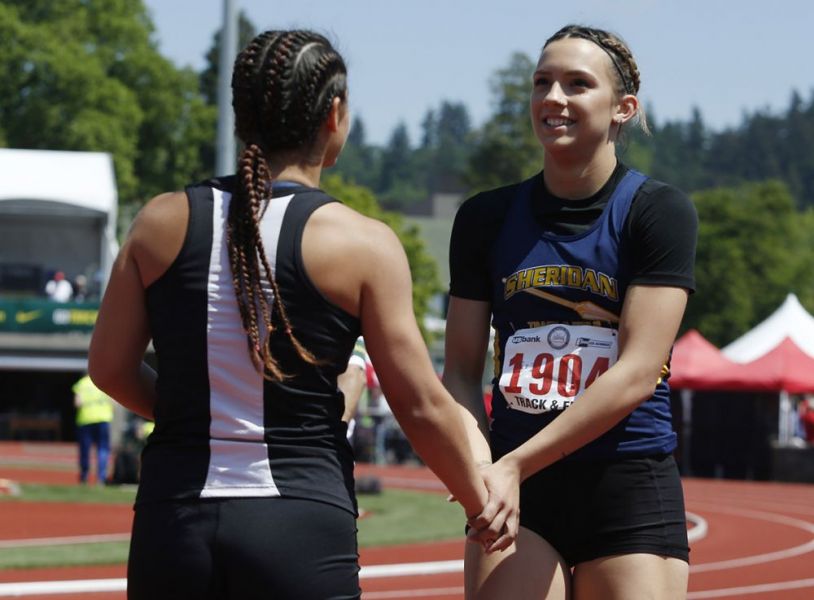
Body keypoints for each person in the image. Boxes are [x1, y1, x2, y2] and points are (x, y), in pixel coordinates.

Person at [88, 30, 502, 600]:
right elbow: (420, 404)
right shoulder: (364, 244)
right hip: (299, 521)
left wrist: (208, 415)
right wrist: (482, 504)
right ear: (335, 115)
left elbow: (109, 368)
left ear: (238, 116)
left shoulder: (158, 221)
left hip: (174, 517)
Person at [443, 24, 698, 600]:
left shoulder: (658, 213)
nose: (553, 98)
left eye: (577, 84)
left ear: (622, 108)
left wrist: (514, 466)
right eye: (542, 83)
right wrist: (483, 468)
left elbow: (635, 373)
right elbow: (459, 371)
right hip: (518, 489)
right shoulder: (485, 218)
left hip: (627, 479)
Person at [72, 373, 114, 484]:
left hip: (86, 420)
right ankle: (101, 478)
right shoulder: (104, 381)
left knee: (85, 449)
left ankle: (84, 476)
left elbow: (77, 403)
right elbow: (112, 402)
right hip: (103, 418)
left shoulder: (81, 384)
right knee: (103, 448)